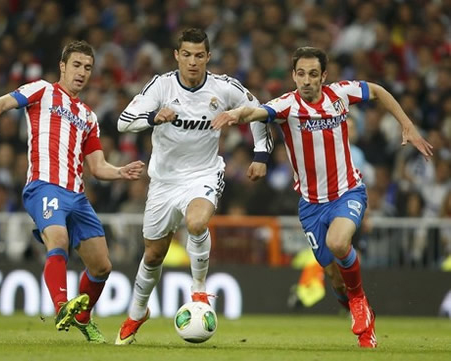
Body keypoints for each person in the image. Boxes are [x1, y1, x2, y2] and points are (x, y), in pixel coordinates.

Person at [212, 46, 433, 348]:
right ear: (293, 75)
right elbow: (257, 113)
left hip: (347, 192)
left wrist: (407, 125)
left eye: (313, 74)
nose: (306, 80)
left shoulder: (340, 94)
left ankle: (359, 303)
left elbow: (379, 91)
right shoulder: (287, 105)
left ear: (324, 76)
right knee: (333, 277)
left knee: (339, 243)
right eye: (300, 74)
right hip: (311, 205)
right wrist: (237, 114)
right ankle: (360, 314)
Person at [0, 40, 145, 343]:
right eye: (77, 65)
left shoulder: (88, 116)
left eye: (88, 67)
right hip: (43, 186)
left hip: (77, 196)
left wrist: (120, 172)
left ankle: (82, 315)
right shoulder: (42, 90)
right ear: (63, 66)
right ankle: (61, 307)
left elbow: (97, 166)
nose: (82, 72)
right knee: (59, 240)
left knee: (102, 266)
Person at [114, 28, 271, 345]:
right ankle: (136, 313)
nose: (193, 61)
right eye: (186, 54)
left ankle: (199, 290)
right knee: (154, 255)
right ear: (176, 56)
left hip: (203, 173)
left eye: (199, 55)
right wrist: (154, 117)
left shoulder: (224, 88)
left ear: (208, 57)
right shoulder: (161, 85)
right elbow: (123, 121)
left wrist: (261, 155)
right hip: (163, 181)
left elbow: (260, 112)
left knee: (197, 222)